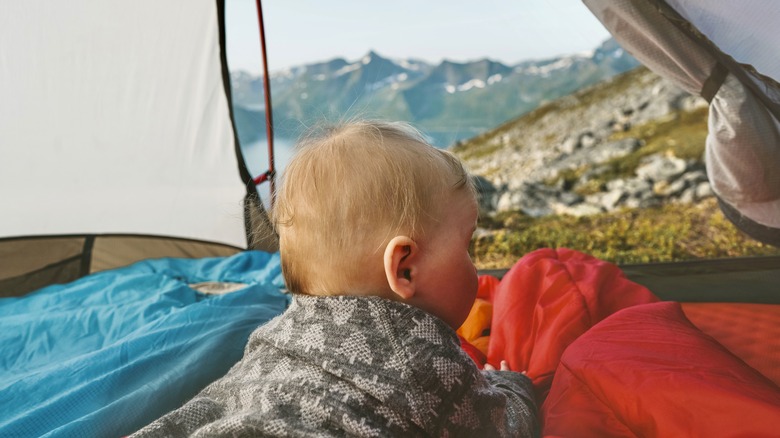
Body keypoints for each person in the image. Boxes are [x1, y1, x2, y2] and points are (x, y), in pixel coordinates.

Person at [132, 120, 538, 437]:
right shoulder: (424, 359)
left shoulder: (277, 333)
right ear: (404, 268)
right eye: (467, 246)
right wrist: (512, 384)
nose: (474, 265)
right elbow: (505, 429)